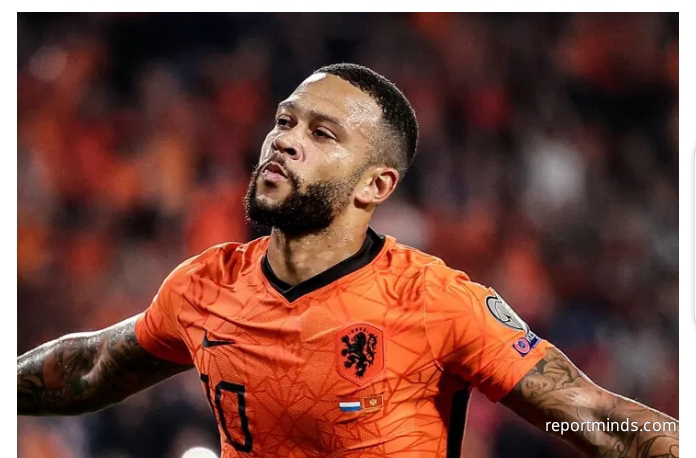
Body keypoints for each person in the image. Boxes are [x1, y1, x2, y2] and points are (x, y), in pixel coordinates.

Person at [18, 63, 678, 458]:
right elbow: (90, 368)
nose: (284, 141)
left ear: (375, 185)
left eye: (321, 133)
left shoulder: (434, 301)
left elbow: (599, 421)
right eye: (284, 121)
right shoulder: (203, 288)